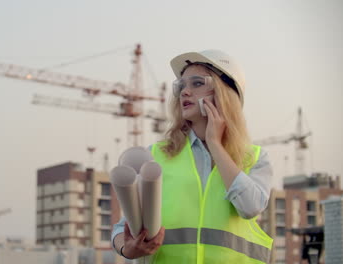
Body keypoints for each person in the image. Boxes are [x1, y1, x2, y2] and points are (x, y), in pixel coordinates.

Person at [111, 50, 273, 263]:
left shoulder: (255, 158)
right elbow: (122, 227)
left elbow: (250, 207)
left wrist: (215, 144)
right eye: (181, 86)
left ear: (225, 92)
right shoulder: (155, 155)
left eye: (196, 83)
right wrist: (127, 249)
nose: (185, 92)